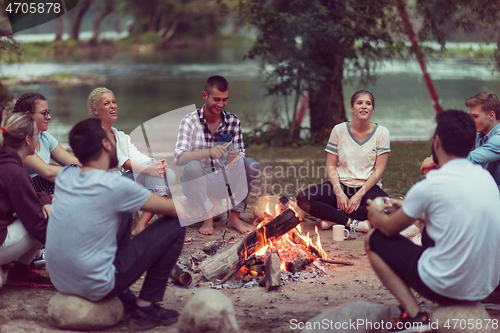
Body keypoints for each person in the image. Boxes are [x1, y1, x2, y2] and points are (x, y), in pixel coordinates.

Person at [366, 110, 500, 332]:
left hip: (447, 287)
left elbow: (389, 228)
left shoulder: (432, 184)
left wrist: (375, 213)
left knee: (374, 239)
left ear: (437, 142)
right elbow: (452, 215)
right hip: (483, 286)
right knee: (427, 224)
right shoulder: (484, 178)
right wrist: (413, 210)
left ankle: (414, 317)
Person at [45, 118, 185, 331]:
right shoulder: (115, 185)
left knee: (124, 213)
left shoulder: (65, 176)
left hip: (61, 281)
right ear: (106, 145)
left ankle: (125, 295)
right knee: (177, 224)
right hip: (96, 285)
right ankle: (146, 309)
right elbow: (174, 211)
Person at [174, 75, 259, 235]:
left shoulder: (233, 122)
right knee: (193, 166)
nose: (220, 104)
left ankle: (234, 218)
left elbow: (242, 154)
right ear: (204, 96)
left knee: (250, 164)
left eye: (225, 99)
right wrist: (208, 152)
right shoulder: (189, 121)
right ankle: (208, 218)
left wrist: (235, 158)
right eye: (216, 99)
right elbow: (179, 158)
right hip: (194, 182)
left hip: (223, 182)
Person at [296, 90, 390, 233]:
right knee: (302, 199)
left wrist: (358, 196)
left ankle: (331, 217)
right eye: (359, 103)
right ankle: (351, 223)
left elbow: (379, 170)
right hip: (340, 186)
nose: (364, 106)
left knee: (388, 208)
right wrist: (339, 192)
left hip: (367, 189)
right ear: (352, 109)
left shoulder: (382, 133)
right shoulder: (339, 130)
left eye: (368, 103)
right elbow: (330, 165)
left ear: (372, 110)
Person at [87, 87, 175, 237]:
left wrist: (154, 164)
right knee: (154, 174)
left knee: (168, 173)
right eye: (107, 103)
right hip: (106, 185)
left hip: (123, 181)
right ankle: (163, 221)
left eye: (114, 102)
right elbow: (118, 160)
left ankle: (141, 225)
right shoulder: (93, 133)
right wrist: (148, 169)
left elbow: (136, 156)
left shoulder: (121, 136)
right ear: (95, 110)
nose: (113, 106)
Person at [0, 113, 52, 288]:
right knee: (48, 217)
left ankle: (20, 272)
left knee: (43, 209)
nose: (40, 138)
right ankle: (20, 273)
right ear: (28, 140)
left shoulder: (7, 164)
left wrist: (44, 199)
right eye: (38, 135)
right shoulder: (13, 172)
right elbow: (36, 223)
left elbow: (29, 197)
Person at [421, 92, 500, 187]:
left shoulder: (498, 138)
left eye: (475, 116)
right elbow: (455, 148)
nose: (471, 120)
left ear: (491, 115)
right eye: (470, 116)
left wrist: (435, 160)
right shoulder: (479, 132)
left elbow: (469, 159)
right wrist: (433, 161)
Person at [13, 92, 80, 195]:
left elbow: (72, 160)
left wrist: (95, 169)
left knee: (75, 168)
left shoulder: (44, 137)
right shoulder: (18, 141)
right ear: (27, 115)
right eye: (44, 113)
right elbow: (47, 172)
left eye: (48, 112)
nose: (49, 117)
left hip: (46, 189)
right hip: (26, 192)